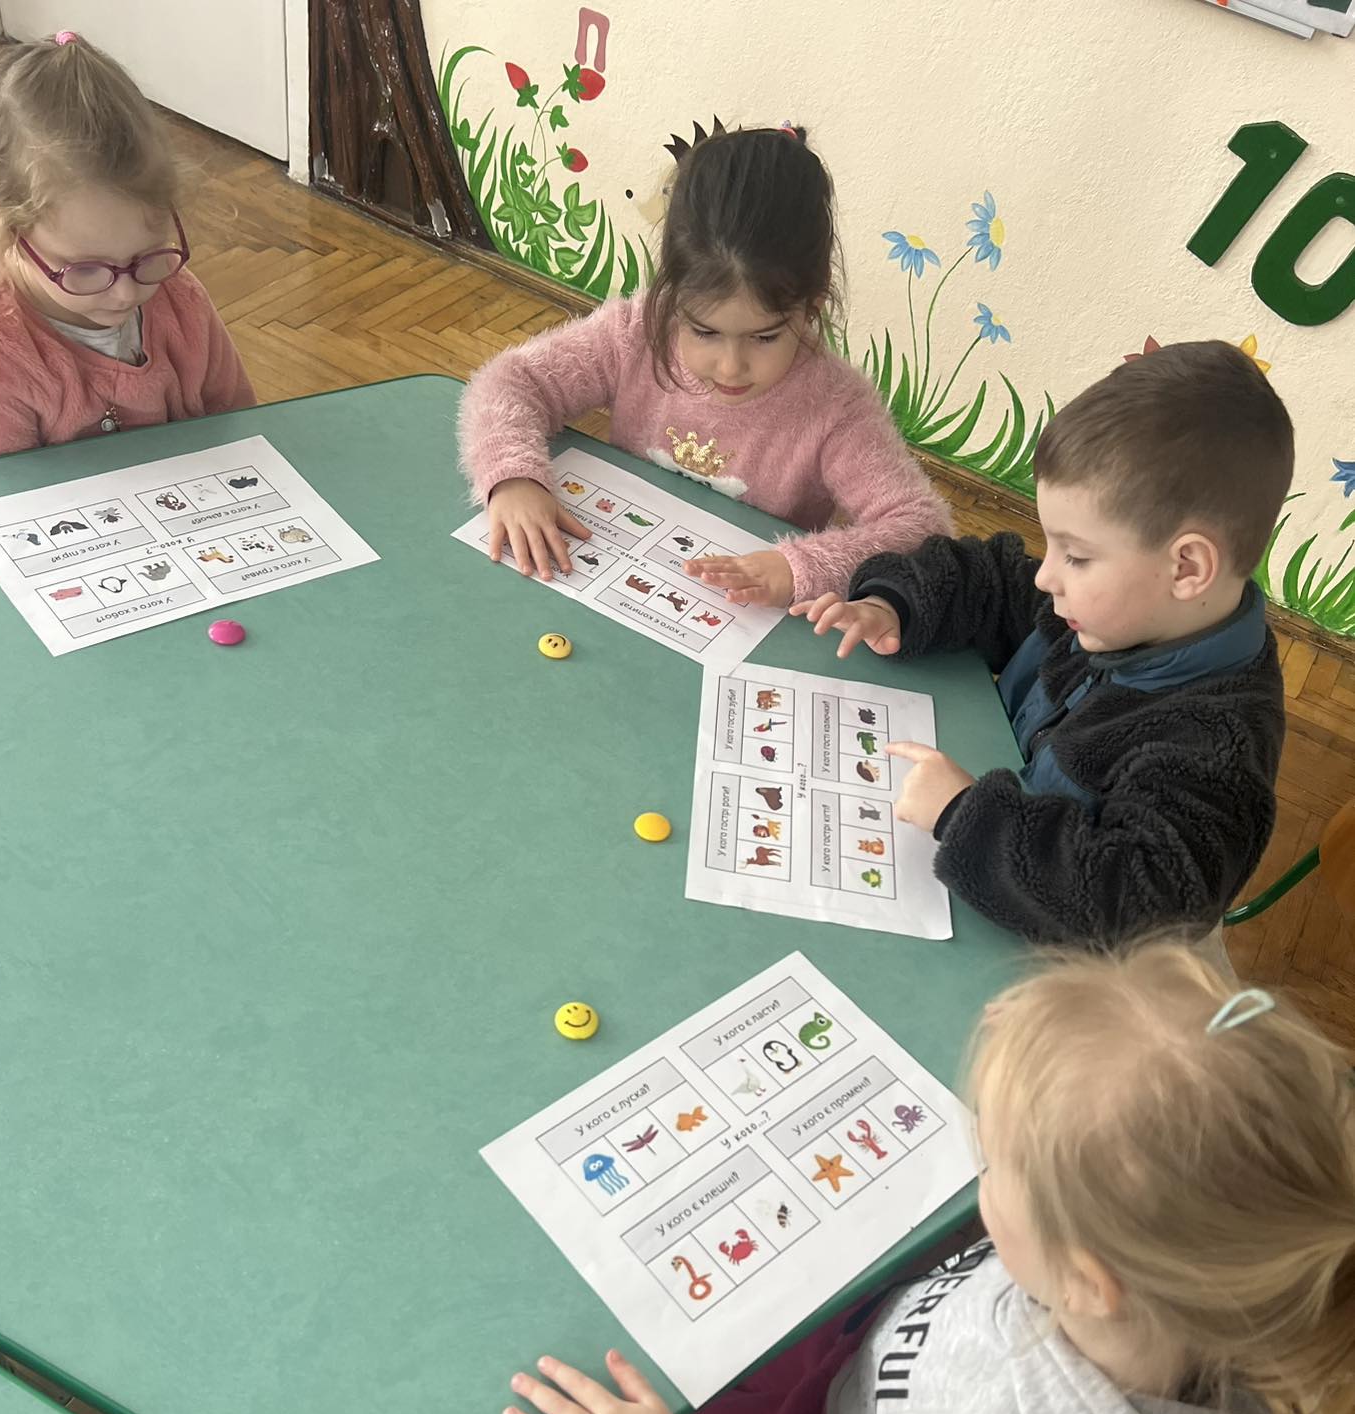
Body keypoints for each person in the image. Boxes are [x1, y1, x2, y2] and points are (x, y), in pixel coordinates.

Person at [501, 942, 1351, 1414]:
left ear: (1088, 1282)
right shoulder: (1224, 1299)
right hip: (883, 1380)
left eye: (996, 1162)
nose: (976, 1162)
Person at [795, 341, 1291, 945]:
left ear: (1187, 568)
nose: (1045, 576)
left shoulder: (1217, 747)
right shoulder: (1113, 612)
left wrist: (964, 817)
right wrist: (892, 603)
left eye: (1076, 556)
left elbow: (1140, 907)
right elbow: (990, 580)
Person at [457, 126, 949, 597]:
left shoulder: (836, 407)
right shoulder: (635, 333)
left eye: (765, 337)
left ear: (812, 307)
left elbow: (922, 529)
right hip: (615, 573)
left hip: (746, 618)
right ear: (671, 296)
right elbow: (511, 381)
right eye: (704, 331)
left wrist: (801, 567)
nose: (730, 367)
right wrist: (513, 477)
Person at [0, 31, 254, 464]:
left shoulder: (179, 299)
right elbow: (6, 499)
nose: (127, 293)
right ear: (4, 225)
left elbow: (241, 429)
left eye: (147, 255)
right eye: (86, 269)